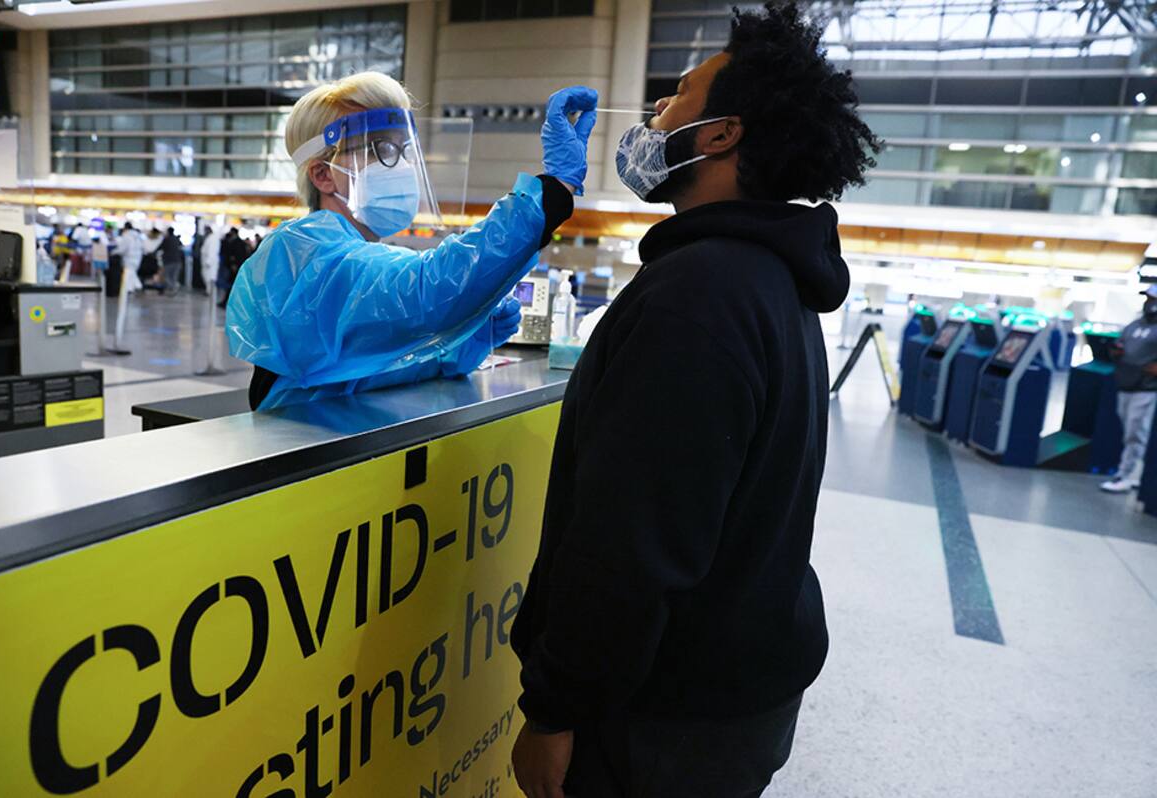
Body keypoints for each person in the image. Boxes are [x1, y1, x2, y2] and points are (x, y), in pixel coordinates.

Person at [509, 5, 879, 797]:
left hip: (660, 724)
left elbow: (631, 544)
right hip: (736, 694)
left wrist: (553, 711)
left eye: (677, 96)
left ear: (719, 136)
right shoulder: (772, 280)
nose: (654, 114)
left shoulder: (700, 294)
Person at [226, 71, 593, 410]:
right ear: (323, 175)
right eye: (381, 149)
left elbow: (395, 361)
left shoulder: (363, 254)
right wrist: (553, 189)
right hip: (300, 465)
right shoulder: (302, 253)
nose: (399, 165)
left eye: (403, 150)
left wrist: (469, 338)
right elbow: (428, 291)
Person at [1100, 285, 1157, 493]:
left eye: (1152, 299)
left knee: (1136, 432)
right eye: (1147, 299)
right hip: (1126, 384)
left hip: (1146, 388)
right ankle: (1133, 471)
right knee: (1129, 430)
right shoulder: (1134, 326)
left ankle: (1126, 474)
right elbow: (1119, 344)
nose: (1148, 303)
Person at [115, 222, 144, 294]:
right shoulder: (138, 236)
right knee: (132, 273)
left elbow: (122, 249)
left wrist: (114, 252)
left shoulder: (127, 236)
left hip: (129, 258)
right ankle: (136, 287)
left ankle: (131, 288)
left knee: (128, 273)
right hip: (137, 258)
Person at [161, 226, 186, 292]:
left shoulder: (166, 239)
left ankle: (173, 287)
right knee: (174, 277)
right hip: (177, 261)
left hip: (168, 261)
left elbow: (160, 248)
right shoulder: (177, 239)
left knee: (167, 276)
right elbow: (181, 247)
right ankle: (174, 287)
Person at [199, 225, 221, 297]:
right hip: (206, 262)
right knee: (206, 278)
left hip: (210, 263)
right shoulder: (209, 238)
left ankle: (210, 292)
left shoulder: (213, 239)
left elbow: (212, 251)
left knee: (210, 279)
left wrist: (209, 261)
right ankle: (208, 291)